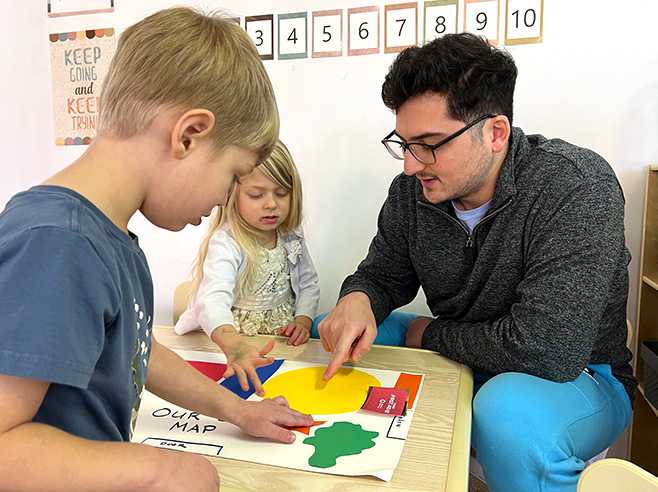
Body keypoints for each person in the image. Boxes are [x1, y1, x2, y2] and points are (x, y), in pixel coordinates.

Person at [0, 7, 313, 492]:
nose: (221, 201)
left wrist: (235, 409)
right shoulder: (58, 245)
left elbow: (135, 351)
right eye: (233, 176)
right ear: (188, 135)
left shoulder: (109, 238)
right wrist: (159, 469)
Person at [317, 32, 636, 492]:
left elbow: (547, 350)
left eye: (429, 144)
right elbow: (382, 275)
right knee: (329, 330)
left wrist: (428, 334)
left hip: (580, 375)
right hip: (468, 352)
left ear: (496, 132)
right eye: (403, 143)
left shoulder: (576, 187)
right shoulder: (412, 192)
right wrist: (358, 297)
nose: (410, 166)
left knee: (508, 414)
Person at [175, 140, 320, 397]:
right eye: (257, 195)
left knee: (280, 392)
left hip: (278, 339)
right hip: (235, 339)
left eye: (281, 193)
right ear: (232, 195)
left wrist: (303, 320)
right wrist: (234, 345)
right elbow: (212, 299)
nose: (271, 204)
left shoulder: (290, 235)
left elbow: (308, 283)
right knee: (238, 396)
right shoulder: (227, 242)